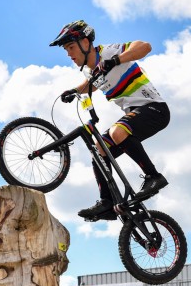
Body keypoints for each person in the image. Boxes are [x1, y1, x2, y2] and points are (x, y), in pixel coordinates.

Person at [51, 20, 170, 221]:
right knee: (100, 149)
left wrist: (116, 60)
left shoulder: (107, 53)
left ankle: (154, 177)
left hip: (154, 108)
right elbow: (92, 83)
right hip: (134, 112)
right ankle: (107, 203)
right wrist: (73, 91)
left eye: (71, 47)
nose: (69, 54)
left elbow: (145, 47)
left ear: (86, 43)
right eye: (66, 50)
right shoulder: (90, 70)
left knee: (117, 132)